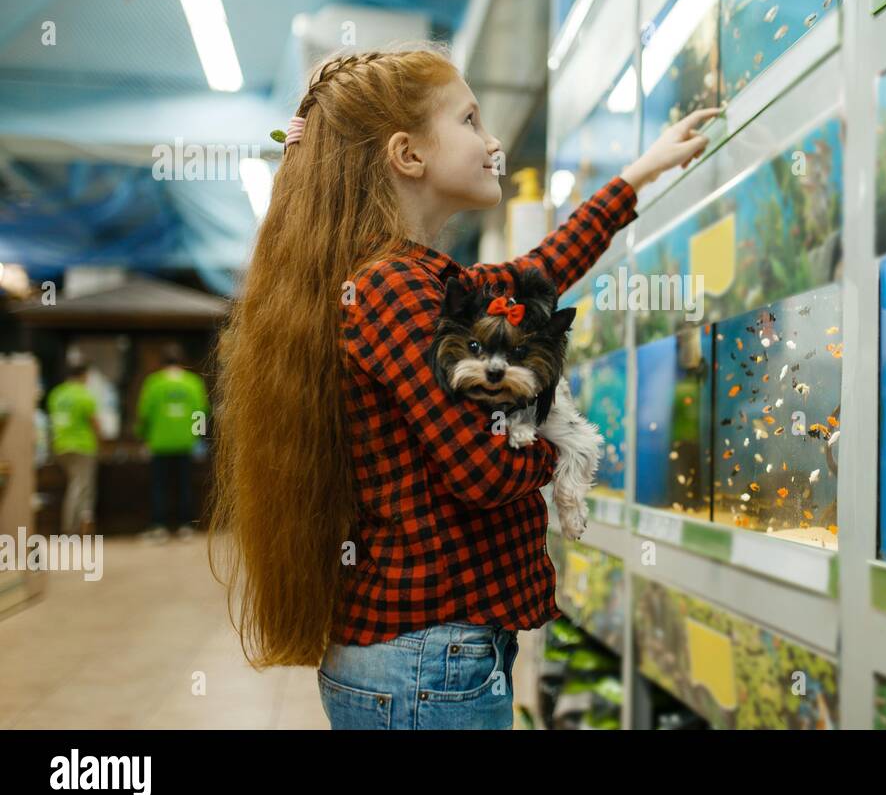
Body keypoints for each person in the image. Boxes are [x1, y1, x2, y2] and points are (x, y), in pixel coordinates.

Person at [209, 43, 718, 729]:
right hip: (426, 661)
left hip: (421, 659)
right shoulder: (394, 288)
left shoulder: (416, 278)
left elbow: (539, 271)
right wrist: (556, 447)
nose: (493, 141)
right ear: (407, 154)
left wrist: (635, 177)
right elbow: (482, 467)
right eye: (471, 120)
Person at [135, 343, 210, 543]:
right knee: (184, 485)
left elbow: (144, 414)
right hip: (186, 443)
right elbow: (201, 413)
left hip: (159, 443)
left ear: (162, 363)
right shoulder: (192, 383)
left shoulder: (154, 383)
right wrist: (199, 438)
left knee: (160, 486)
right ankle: (186, 526)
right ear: (181, 362)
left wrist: (143, 437)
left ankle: (160, 526)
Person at [47, 361, 100, 535]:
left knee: (75, 485)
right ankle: (72, 528)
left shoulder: (57, 393)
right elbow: (95, 423)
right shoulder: (83, 395)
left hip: (60, 445)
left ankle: (79, 525)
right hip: (82, 446)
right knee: (81, 487)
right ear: (84, 375)